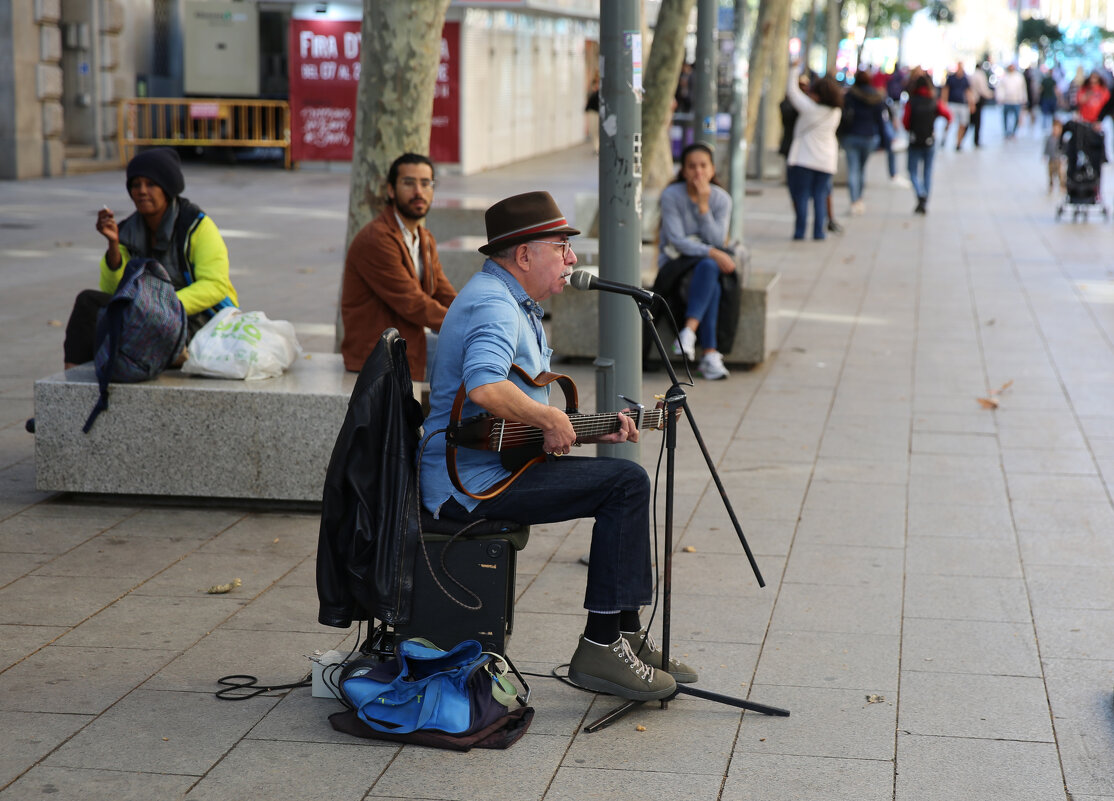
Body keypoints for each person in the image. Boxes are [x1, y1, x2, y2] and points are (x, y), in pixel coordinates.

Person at [419, 191, 697, 702]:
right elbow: (483, 387)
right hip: (470, 486)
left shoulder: (511, 301)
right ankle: (602, 643)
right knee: (626, 484)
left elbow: (509, 407)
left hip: (491, 467)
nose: (572, 258)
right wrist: (549, 415)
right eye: (560, 246)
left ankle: (626, 637)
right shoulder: (494, 306)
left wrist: (586, 427)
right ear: (523, 255)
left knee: (623, 481)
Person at [65, 147, 239, 370]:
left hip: (197, 320)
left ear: (167, 188)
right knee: (88, 302)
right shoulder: (127, 231)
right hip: (145, 317)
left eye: (151, 184)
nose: (142, 191)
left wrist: (161, 308)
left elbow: (215, 286)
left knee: (138, 323)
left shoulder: (197, 226)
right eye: (136, 185)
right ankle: (69, 384)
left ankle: (175, 350)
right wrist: (113, 246)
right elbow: (113, 291)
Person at [341, 153, 457, 380]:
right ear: (391, 190)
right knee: (474, 362)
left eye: (426, 183)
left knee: (486, 359)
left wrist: (477, 317)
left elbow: (443, 291)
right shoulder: (376, 239)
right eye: (408, 183)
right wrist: (465, 328)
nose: (418, 192)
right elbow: (412, 302)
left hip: (407, 343)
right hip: (378, 355)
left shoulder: (424, 238)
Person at [656, 142, 735, 381]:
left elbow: (717, 239)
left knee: (709, 270)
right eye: (692, 166)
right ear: (683, 170)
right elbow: (678, 242)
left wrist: (703, 206)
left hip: (705, 268)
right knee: (711, 267)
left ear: (712, 169)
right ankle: (710, 355)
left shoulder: (721, 199)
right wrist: (713, 252)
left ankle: (689, 332)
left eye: (703, 166)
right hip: (675, 264)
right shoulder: (671, 195)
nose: (698, 172)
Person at [785, 62, 842, 240]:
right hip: (826, 160)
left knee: (801, 196)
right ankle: (819, 232)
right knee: (820, 196)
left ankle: (800, 232)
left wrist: (794, 69)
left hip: (804, 159)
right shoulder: (836, 112)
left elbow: (792, 92)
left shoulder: (809, 109)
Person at [838, 70, 890, 215]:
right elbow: (881, 121)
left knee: (853, 169)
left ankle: (855, 201)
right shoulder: (875, 96)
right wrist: (885, 141)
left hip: (851, 136)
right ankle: (858, 199)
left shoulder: (850, 95)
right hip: (868, 137)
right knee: (860, 169)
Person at [903, 73, 952, 214]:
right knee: (927, 171)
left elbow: (905, 123)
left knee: (912, 171)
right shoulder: (934, 101)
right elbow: (948, 115)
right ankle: (924, 198)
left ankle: (920, 193)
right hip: (930, 140)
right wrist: (946, 126)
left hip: (914, 141)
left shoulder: (911, 102)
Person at [942, 62, 973, 150]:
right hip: (952, 103)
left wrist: (971, 104)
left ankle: (958, 143)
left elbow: (968, 91)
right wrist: (944, 102)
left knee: (963, 124)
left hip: (963, 104)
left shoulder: (965, 79)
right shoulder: (951, 78)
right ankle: (944, 138)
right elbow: (946, 90)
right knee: (949, 122)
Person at [997, 63, 1027, 140]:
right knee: (1005, 118)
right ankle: (1006, 132)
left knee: (1017, 117)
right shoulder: (1005, 77)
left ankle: (1013, 132)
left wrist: (1023, 99)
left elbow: (1022, 88)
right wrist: (1000, 97)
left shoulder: (1019, 77)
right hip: (1007, 101)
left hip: (1016, 101)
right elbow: (1001, 88)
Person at [968, 63, 994, 146]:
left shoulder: (972, 75)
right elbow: (983, 89)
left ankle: (960, 141)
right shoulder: (980, 75)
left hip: (971, 100)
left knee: (970, 121)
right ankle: (976, 141)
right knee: (976, 122)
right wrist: (990, 94)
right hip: (977, 100)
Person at [1044, 118, 1067, 194]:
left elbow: (1065, 149)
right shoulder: (1049, 138)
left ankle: (1062, 185)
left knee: (1061, 174)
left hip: (1059, 159)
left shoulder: (1062, 139)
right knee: (1050, 173)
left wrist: (1065, 157)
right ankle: (1051, 184)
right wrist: (1045, 155)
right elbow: (1046, 147)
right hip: (1051, 159)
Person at [585, 74, 600, 155]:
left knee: (597, 131)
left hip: (597, 113)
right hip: (592, 113)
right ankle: (596, 147)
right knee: (593, 131)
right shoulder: (592, 93)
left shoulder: (599, 94)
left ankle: (598, 147)